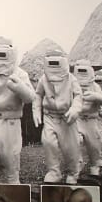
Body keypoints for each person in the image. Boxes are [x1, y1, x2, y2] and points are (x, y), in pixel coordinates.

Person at [0, 36, 34, 183]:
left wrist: (20, 88)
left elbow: (30, 97)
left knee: (11, 155)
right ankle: (0, 163)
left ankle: (13, 183)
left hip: (10, 121)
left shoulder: (20, 74)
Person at [33, 51, 82, 184]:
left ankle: (73, 172)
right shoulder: (43, 79)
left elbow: (78, 96)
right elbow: (38, 95)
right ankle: (54, 172)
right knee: (48, 142)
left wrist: (75, 109)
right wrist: (36, 111)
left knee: (70, 147)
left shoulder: (71, 79)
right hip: (50, 116)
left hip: (67, 118)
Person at [73, 60, 102, 177]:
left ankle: (94, 165)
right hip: (78, 119)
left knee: (94, 146)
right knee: (76, 141)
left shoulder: (95, 86)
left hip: (92, 120)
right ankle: (77, 164)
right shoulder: (73, 85)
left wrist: (94, 96)